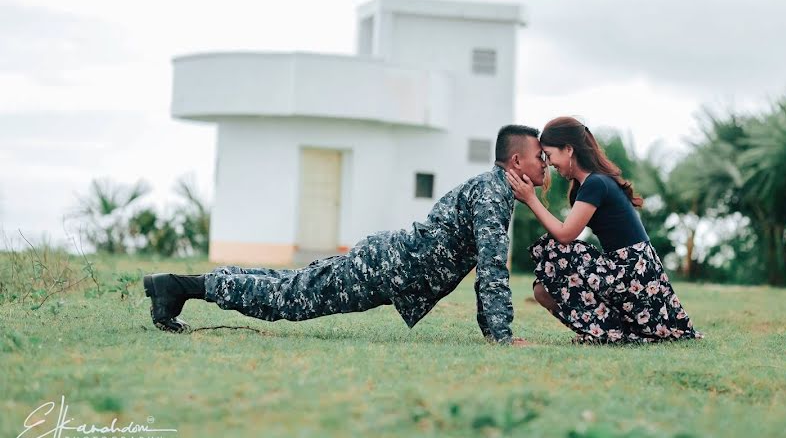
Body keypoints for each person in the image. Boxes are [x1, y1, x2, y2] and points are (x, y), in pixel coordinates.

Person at [143, 124, 547, 345]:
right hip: (388, 267)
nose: (544, 165)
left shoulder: (493, 188)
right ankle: (179, 287)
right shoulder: (493, 194)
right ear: (516, 160)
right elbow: (492, 269)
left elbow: (487, 266)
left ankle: (176, 286)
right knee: (291, 297)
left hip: (388, 261)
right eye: (539, 158)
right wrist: (501, 336)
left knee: (292, 283)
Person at [505, 116, 701, 345]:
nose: (549, 163)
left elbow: (566, 234)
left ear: (568, 150)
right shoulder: (587, 186)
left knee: (557, 249)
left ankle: (608, 333)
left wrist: (530, 199)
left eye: (549, 155)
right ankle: (604, 331)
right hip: (625, 271)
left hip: (633, 273)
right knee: (542, 289)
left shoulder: (596, 183)